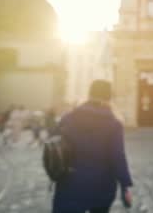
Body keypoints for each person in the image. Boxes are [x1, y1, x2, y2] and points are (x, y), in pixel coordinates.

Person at [52, 80, 133, 213]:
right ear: (109, 97)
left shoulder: (68, 118)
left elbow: (55, 146)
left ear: (89, 94)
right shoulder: (113, 124)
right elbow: (117, 157)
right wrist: (125, 186)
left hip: (70, 182)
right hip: (101, 184)